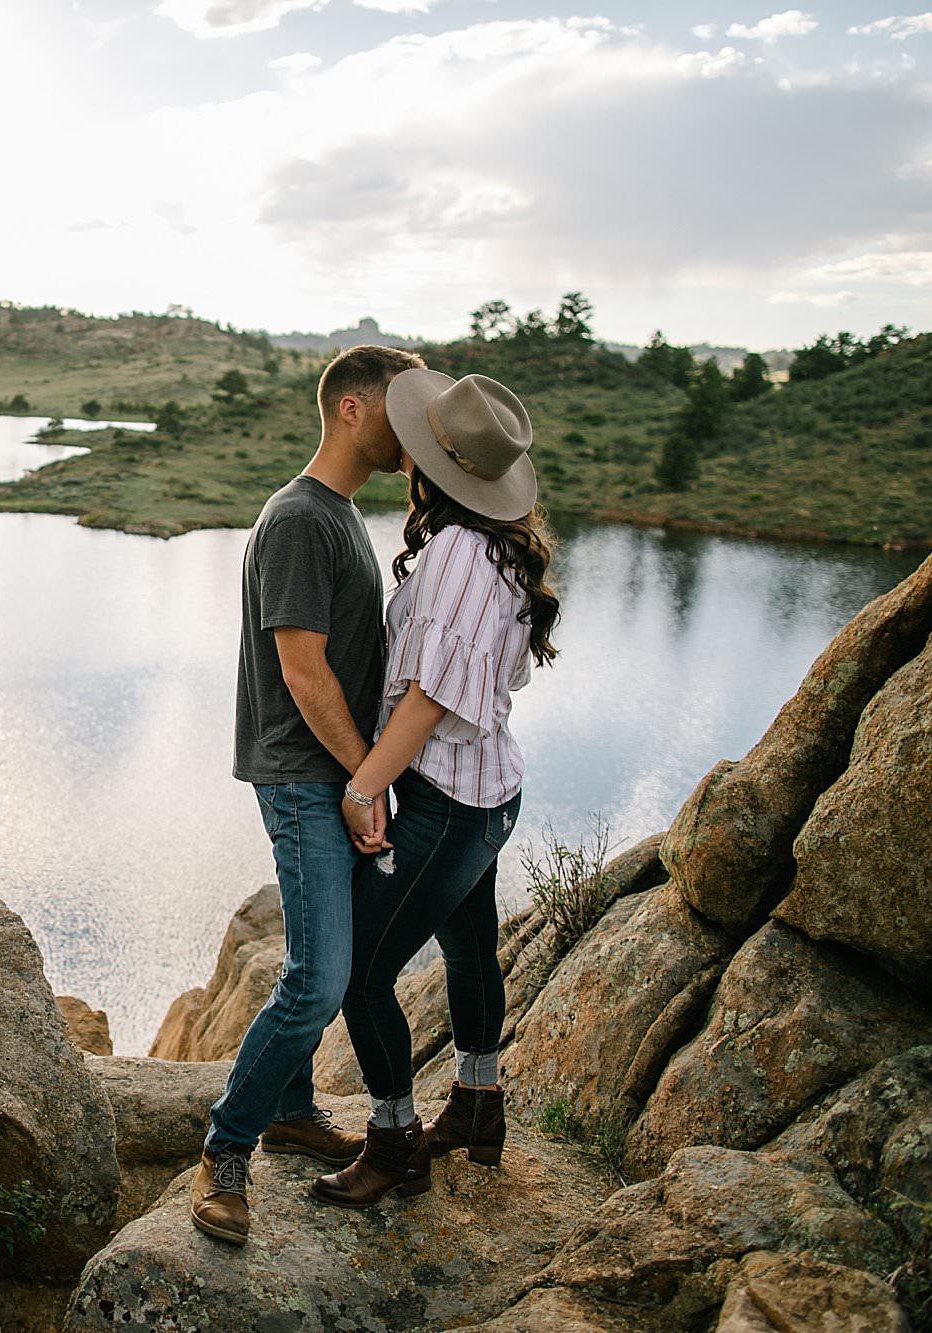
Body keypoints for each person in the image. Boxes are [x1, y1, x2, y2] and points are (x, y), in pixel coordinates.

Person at [191, 344, 428, 1246]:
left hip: (332, 773)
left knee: (325, 960)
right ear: (355, 411)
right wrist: (366, 776)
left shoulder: (337, 513)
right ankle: (226, 1146)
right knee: (319, 979)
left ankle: (289, 1104)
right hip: (304, 775)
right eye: (404, 409)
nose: (422, 433)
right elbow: (302, 670)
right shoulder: (298, 518)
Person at [307, 367, 559, 1209]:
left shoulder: (454, 552)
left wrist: (363, 784)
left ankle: (393, 1143)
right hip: (492, 791)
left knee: (360, 975)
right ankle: (479, 1108)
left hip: (449, 804)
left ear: (432, 463)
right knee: (469, 949)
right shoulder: (497, 541)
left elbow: (428, 698)